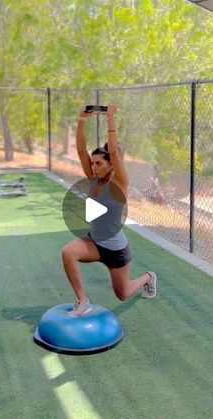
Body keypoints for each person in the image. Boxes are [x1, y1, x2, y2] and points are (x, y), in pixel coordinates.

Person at [61, 104, 157, 316]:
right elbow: (79, 150)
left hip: (115, 249)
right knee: (68, 252)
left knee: (122, 293)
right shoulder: (93, 180)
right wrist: (82, 119)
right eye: (92, 163)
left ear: (111, 165)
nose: (93, 167)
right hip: (94, 241)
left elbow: (113, 151)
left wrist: (110, 118)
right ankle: (82, 301)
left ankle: (148, 277)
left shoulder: (121, 183)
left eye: (98, 163)